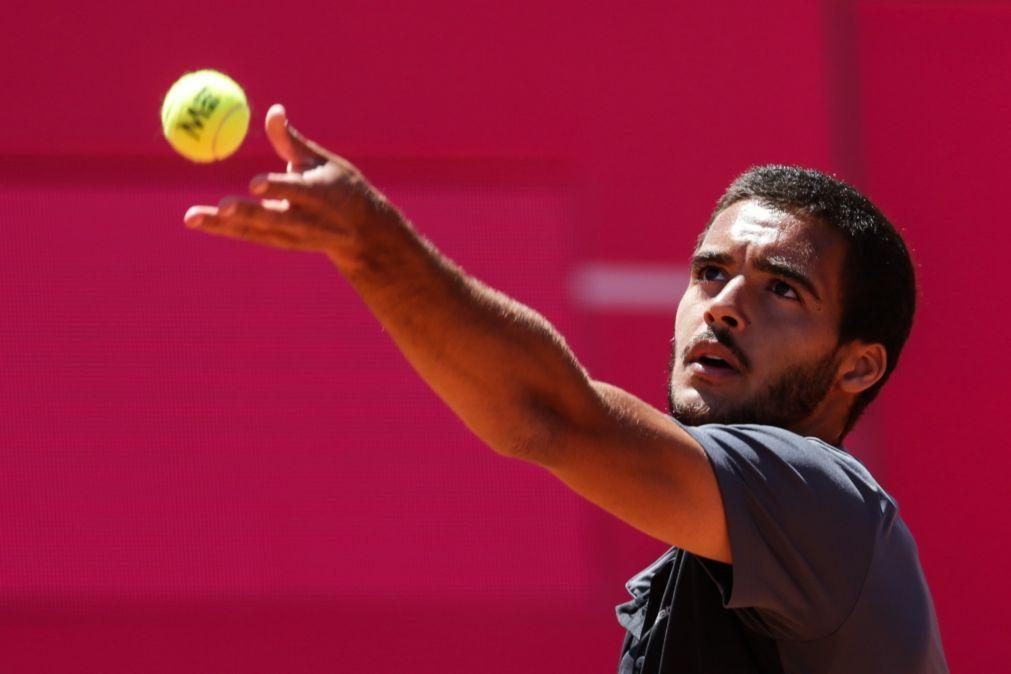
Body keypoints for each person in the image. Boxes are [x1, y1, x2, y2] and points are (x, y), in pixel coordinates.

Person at [185, 104, 948, 673]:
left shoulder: (822, 502)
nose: (722, 304)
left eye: (782, 290)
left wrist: (371, 244)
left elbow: (552, 415)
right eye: (710, 273)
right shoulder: (702, 567)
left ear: (856, 366)